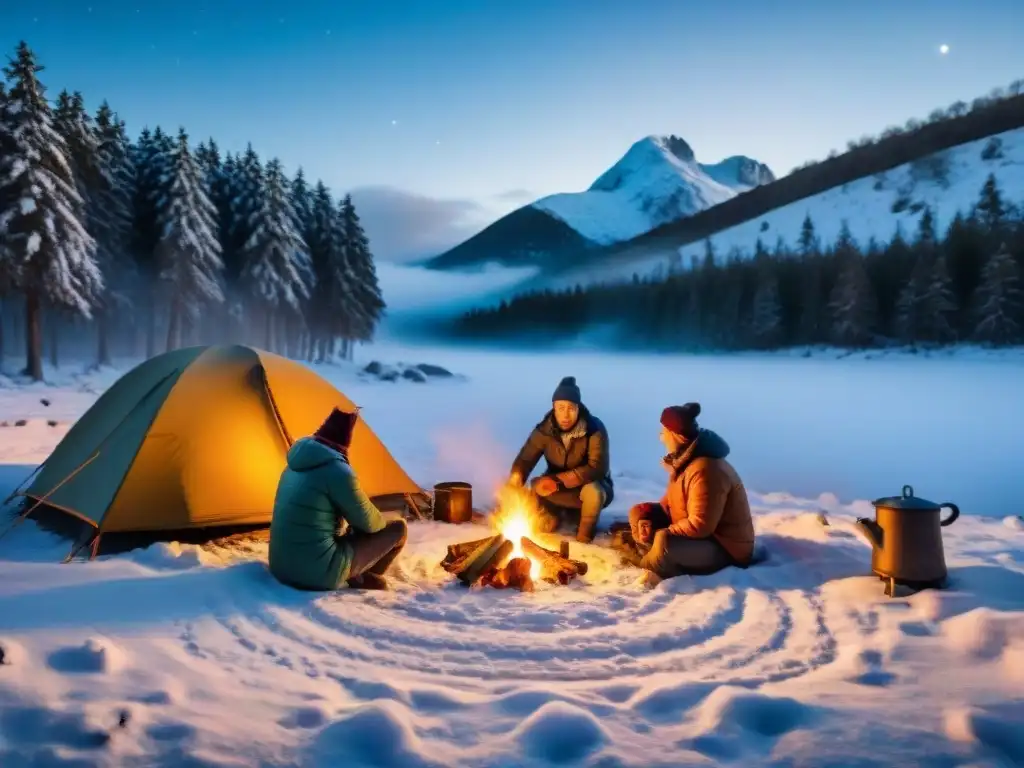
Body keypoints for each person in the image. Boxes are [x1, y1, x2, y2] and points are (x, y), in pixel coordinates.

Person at [268, 407, 408, 591]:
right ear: (343, 447)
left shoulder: (293, 465)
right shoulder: (338, 472)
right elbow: (369, 525)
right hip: (316, 573)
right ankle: (364, 576)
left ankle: (357, 571)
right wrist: (375, 519)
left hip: (281, 566)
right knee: (398, 528)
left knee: (350, 525)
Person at [628, 402, 755, 587]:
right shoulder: (684, 462)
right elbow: (670, 505)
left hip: (724, 548)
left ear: (675, 436)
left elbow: (701, 525)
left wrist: (664, 532)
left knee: (664, 542)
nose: (661, 438)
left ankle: (642, 568)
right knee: (638, 512)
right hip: (698, 536)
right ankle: (649, 553)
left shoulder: (706, 470)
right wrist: (646, 515)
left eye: (663, 432)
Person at [509, 376, 613, 543]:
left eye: (571, 408)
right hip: (555, 490)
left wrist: (558, 480)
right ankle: (550, 518)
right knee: (534, 491)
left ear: (578, 408)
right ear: (554, 408)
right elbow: (525, 461)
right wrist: (514, 483)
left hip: (588, 489)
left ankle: (584, 539)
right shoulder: (544, 430)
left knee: (594, 492)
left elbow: (597, 468)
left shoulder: (594, 429)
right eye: (560, 408)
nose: (565, 415)